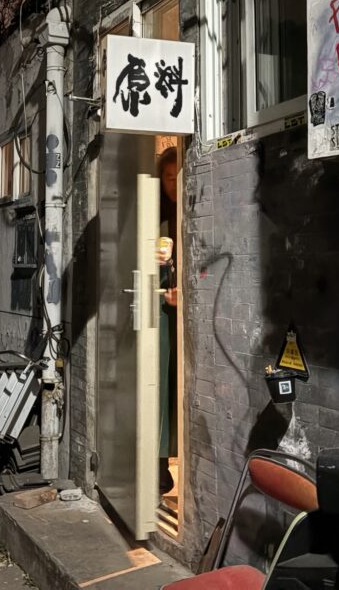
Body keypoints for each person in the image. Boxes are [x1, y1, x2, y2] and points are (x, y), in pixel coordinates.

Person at [156, 146, 179, 497]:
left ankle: (170, 459)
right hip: (161, 314)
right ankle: (158, 465)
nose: (173, 183)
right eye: (168, 177)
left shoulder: (190, 210)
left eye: (177, 177)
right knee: (160, 386)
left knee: (176, 389)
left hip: (183, 314)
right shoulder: (155, 216)